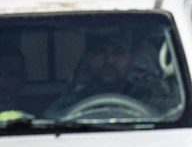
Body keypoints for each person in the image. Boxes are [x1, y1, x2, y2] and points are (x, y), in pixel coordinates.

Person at [46, 28, 175, 117]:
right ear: (87, 59)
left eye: (118, 52)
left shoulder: (151, 98)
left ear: (131, 61)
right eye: (99, 52)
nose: (109, 60)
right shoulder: (71, 103)